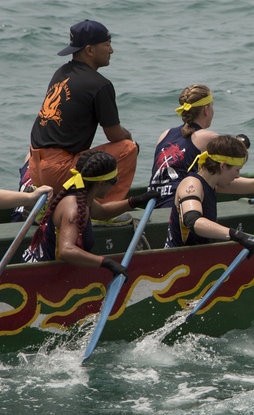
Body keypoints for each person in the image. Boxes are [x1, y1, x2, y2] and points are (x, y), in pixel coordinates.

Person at [28, 20, 139, 207]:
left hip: (35, 168)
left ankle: (49, 203)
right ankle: (103, 211)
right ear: (89, 50)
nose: (111, 50)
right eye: (107, 44)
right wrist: (127, 136)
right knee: (128, 148)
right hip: (59, 171)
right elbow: (114, 135)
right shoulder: (99, 84)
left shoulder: (61, 72)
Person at [23, 151, 157, 275]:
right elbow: (66, 251)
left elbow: (103, 212)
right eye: (114, 181)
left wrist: (136, 201)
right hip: (41, 273)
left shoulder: (81, 195)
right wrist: (106, 263)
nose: (115, 185)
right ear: (101, 184)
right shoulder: (73, 209)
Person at [148, 84, 220, 208]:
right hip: (180, 206)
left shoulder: (165, 134)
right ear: (206, 110)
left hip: (153, 205)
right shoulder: (209, 138)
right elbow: (226, 177)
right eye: (212, 105)